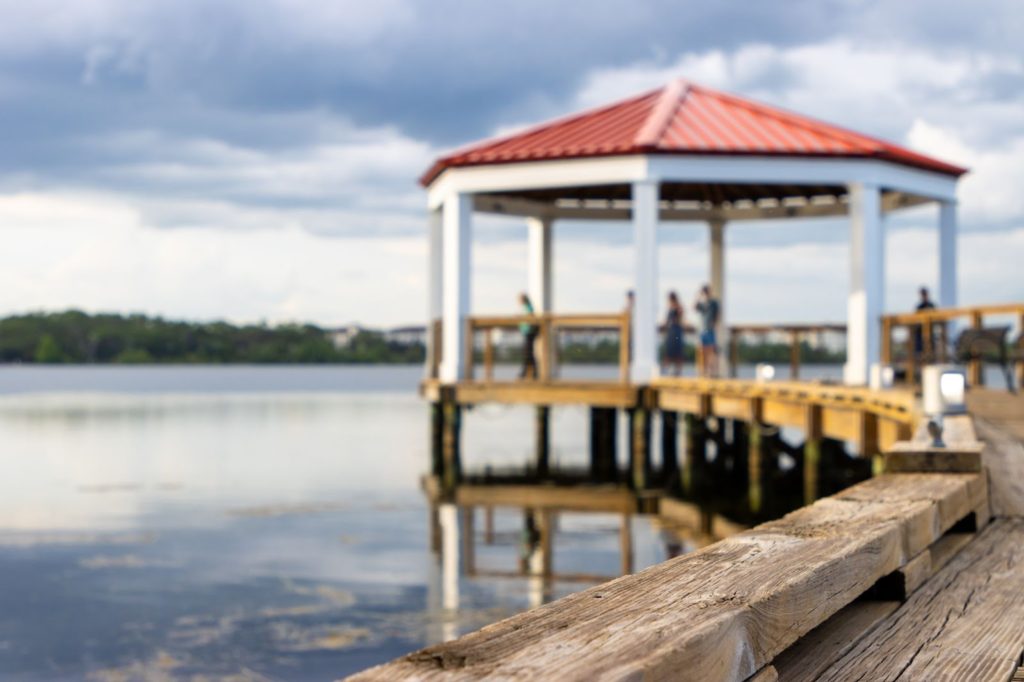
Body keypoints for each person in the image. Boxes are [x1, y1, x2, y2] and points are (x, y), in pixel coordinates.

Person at [695, 285, 720, 377]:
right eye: (704, 291)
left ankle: (712, 372)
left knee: (711, 351)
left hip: (710, 329)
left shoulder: (714, 302)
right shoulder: (702, 303)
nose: (705, 293)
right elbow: (694, 307)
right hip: (702, 330)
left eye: (706, 291)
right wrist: (698, 295)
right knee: (702, 351)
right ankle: (703, 371)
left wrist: (715, 325)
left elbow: (717, 315)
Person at [662, 291, 685, 376]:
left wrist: (678, 310)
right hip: (671, 331)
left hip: (676, 330)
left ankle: (678, 371)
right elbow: (666, 321)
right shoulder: (669, 308)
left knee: (677, 352)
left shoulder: (678, 306)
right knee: (668, 351)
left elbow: (681, 316)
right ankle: (666, 371)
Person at [518, 292, 538, 379]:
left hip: (529, 332)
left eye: (520, 299)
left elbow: (531, 317)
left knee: (528, 352)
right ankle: (529, 372)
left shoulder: (528, 307)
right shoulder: (525, 307)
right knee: (527, 352)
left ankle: (528, 372)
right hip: (526, 332)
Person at [914, 286, 936, 360]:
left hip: (930, 331)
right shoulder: (919, 307)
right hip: (920, 332)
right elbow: (915, 319)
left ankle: (930, 359)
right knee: (919, 348)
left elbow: (936, 317)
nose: (923, 296)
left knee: (930, 347)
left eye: (924, 294)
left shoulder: (931, 306)